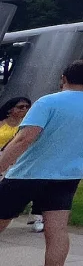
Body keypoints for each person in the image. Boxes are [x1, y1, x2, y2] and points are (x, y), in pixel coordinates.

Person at [0, 60, 83, 266]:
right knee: (57, 231)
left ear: (63, 77)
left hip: (28, 173)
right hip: (68, 175)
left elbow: (25, 138)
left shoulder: (48, 102)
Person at [0, 98, 44, 234]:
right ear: (10, 109)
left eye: (27, 107)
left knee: (30, 188)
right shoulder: (2, 123)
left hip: (22, 160)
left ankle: (37, 218)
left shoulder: (30, 124)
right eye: (20, 107)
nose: (24, 109)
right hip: (3, 156)